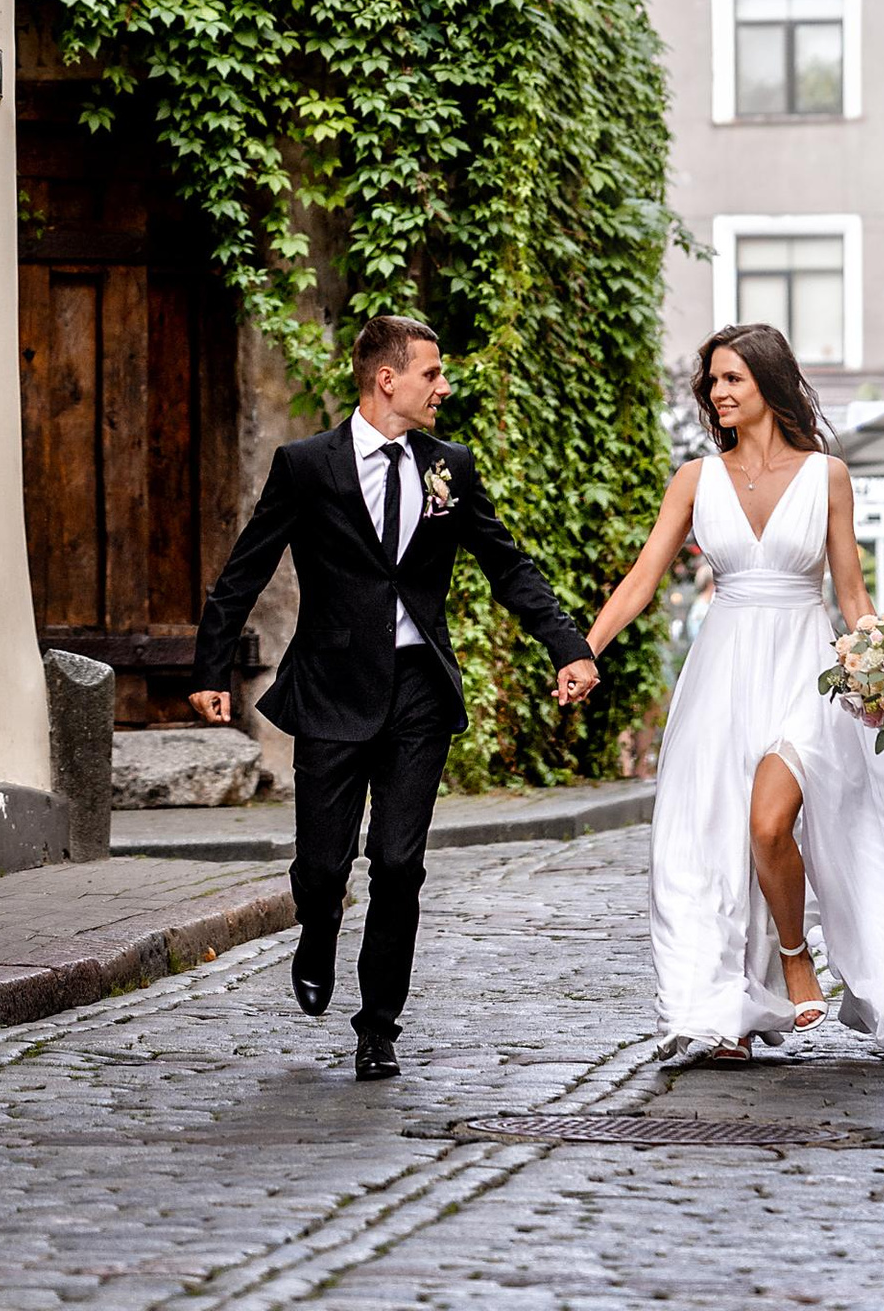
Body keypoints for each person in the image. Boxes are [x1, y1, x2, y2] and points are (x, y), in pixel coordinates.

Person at [187, 312, 594, 1081]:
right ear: (387, 380)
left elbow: (509, 567)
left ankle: (379, 1026)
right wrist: (211, 669)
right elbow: (246, 568)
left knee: (400, 864)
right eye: (432, 374)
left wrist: (570, 646)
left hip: (418, 693)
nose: (443, 386)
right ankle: (316, 926)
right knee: (322, 864)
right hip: (333, 688)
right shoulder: (308, 466)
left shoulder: (450, 467)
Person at [578, 323, 884, 1056]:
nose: (718, 394)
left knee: (766, 824)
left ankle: (794, 958)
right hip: (721, 673)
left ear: (769, 386)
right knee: (709, 842)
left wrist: (883, 668)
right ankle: (728, 1010)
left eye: (733, 381)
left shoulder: (826, 477)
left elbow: (852, 595)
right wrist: (585, 651)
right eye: (713, 382)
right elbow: (642, 579)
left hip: (805, 669)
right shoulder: (696, 479)